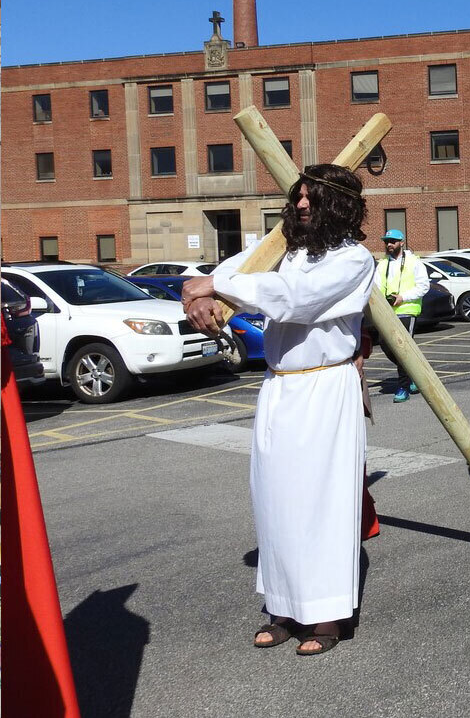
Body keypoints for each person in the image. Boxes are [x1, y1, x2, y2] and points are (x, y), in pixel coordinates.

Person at [181, 164, 376, 655]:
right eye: (299, 197)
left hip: (325, 390)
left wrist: (214, 287)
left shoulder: (354, 260)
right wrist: (205, 285)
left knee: (322, 504)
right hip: (279, 388)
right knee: (275, 501)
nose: (303, 205)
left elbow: (295, 302)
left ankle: (328, 616)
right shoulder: (282, 251)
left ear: (340, 206)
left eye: (313, 198)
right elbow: (230, 271)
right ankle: (285, 609)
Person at [374, 228, 430, 402]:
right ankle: (412, 374)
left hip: (407, 311)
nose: (389, 245)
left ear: (402, 242)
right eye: (386, 242)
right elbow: (375, 287)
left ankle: (403, 386)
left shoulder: (414, 262)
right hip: (387, 312)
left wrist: (403, 297)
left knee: (402, 349)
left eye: (392, 241)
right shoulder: (383, 264)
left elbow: (424, 286)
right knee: (385, 345)